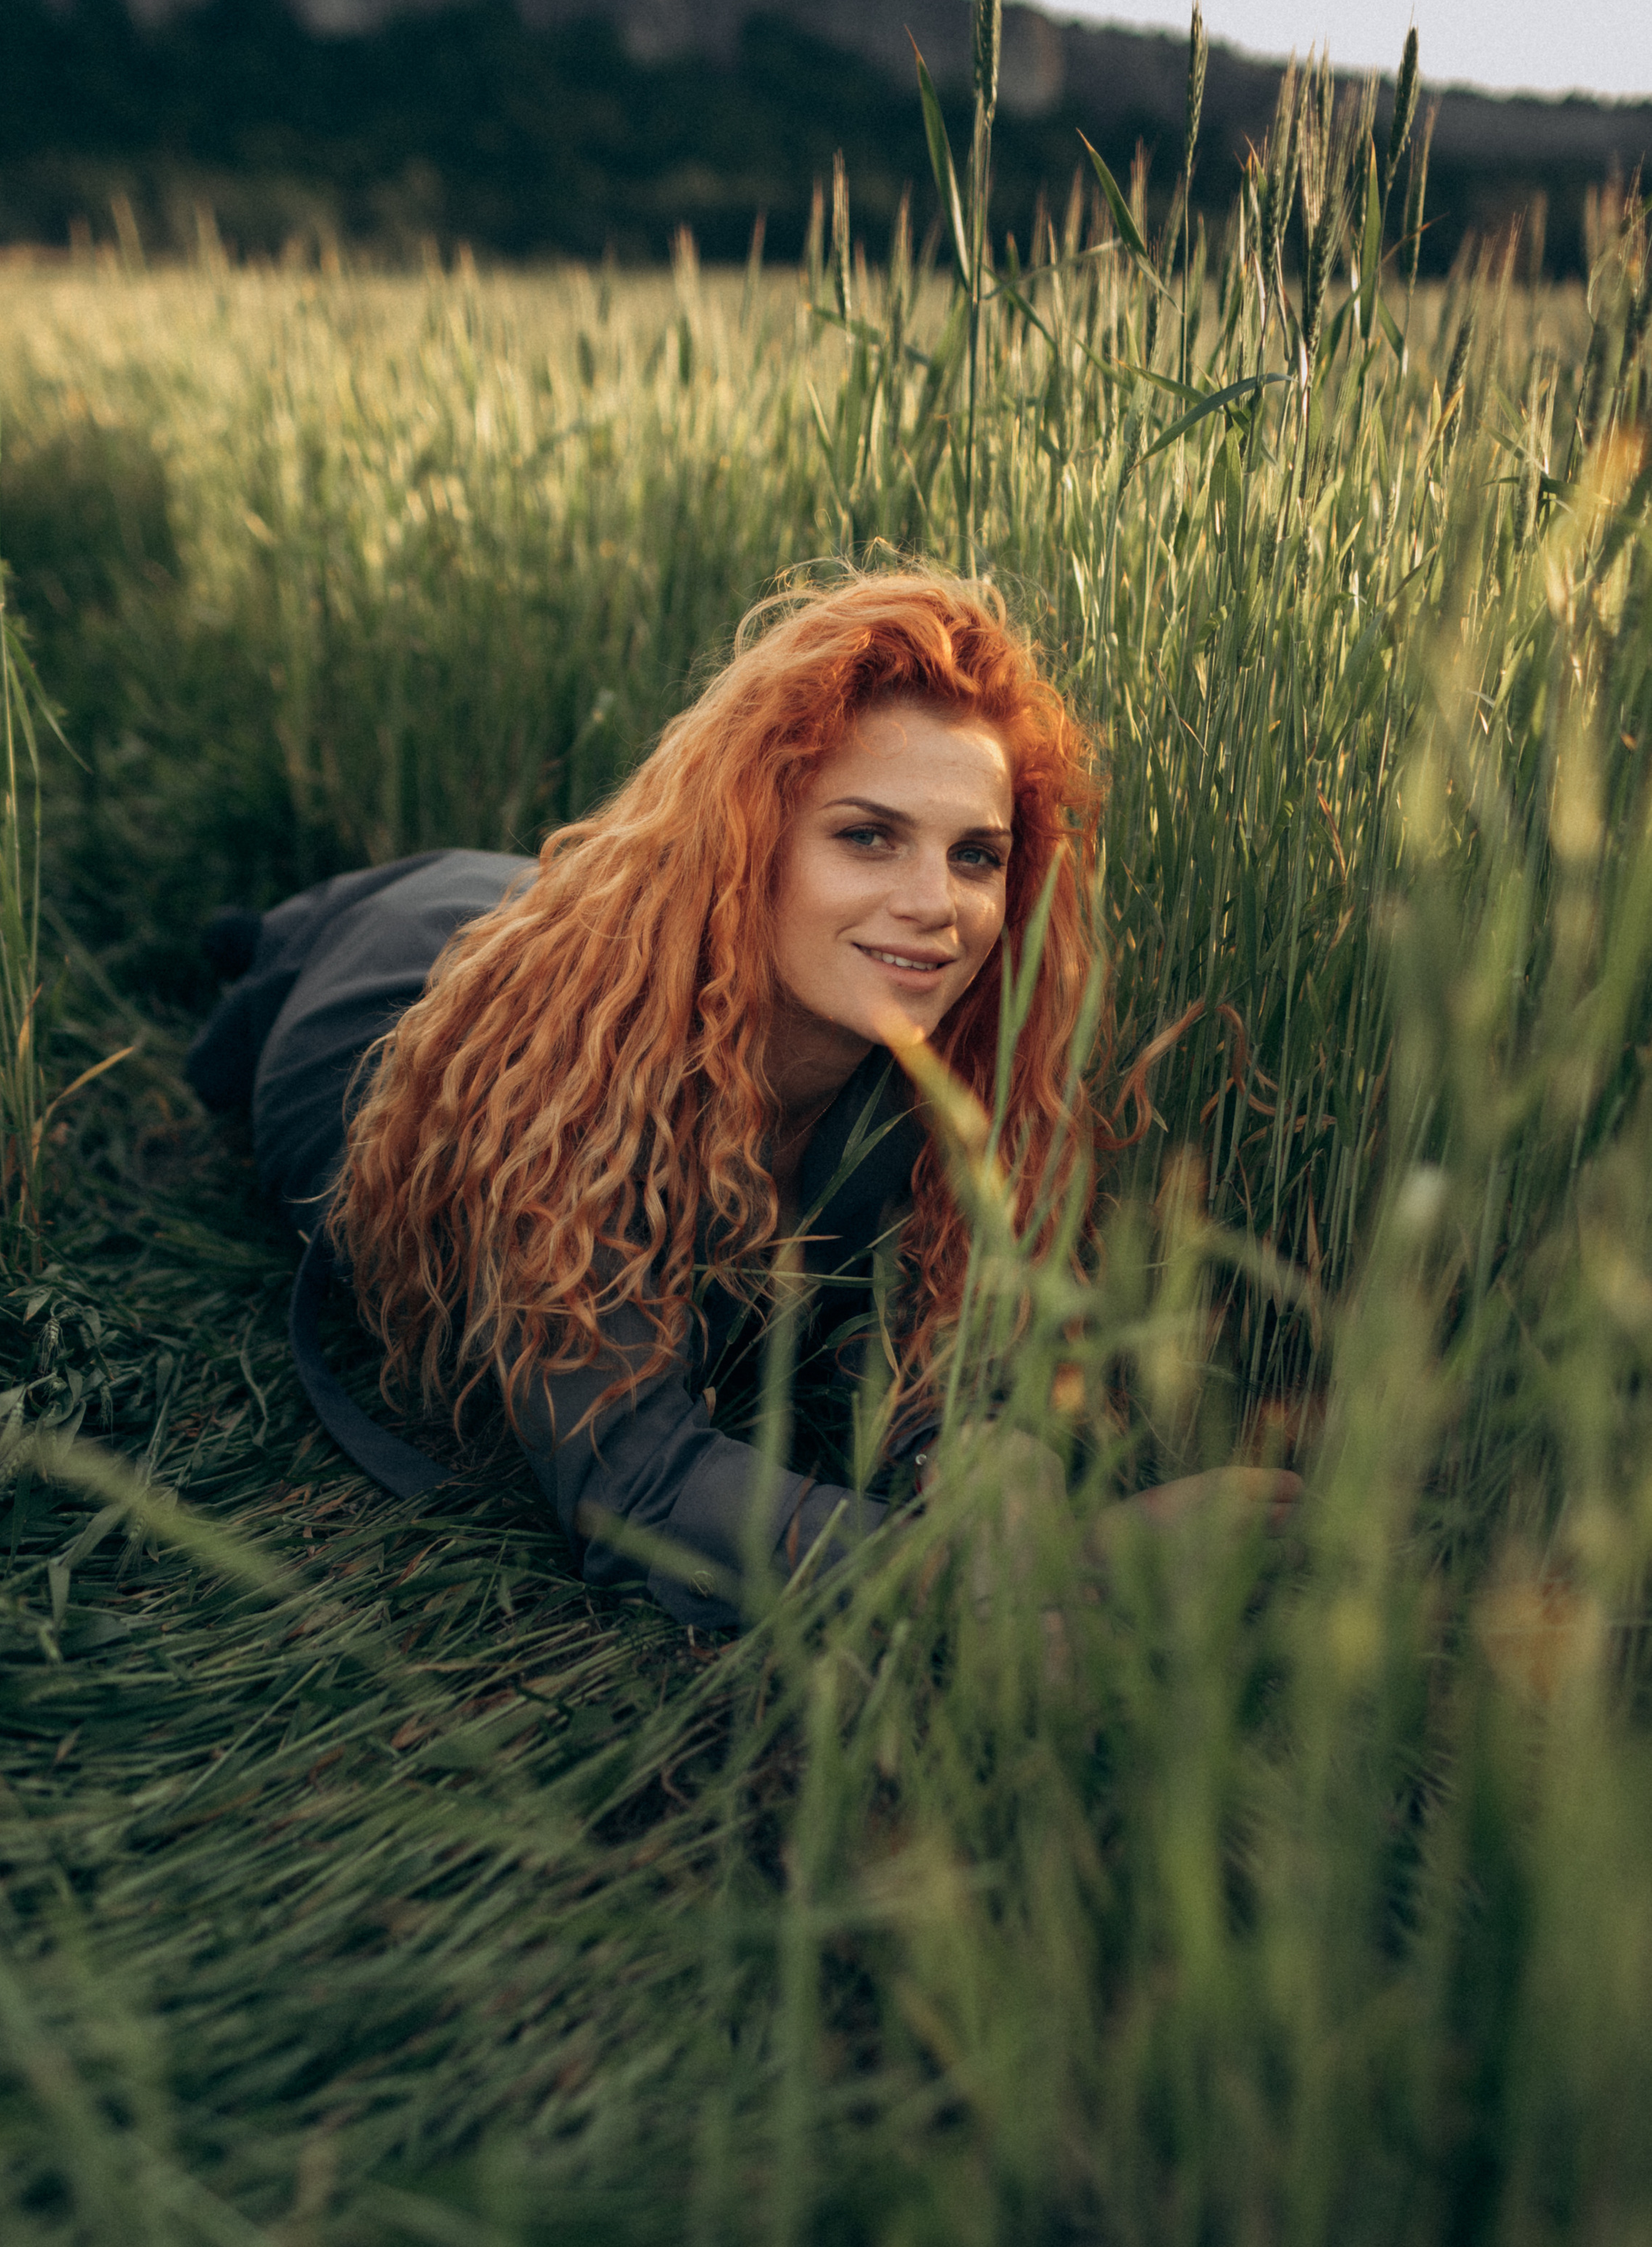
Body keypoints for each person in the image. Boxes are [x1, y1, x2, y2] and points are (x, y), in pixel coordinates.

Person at [188, 568, 1296, 1629]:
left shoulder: (929, 1066)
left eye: (975, 856)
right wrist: (1044, 1574)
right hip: (395, 958)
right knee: (251, 949)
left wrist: (998, 1484)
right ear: (750, 841)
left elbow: (927, 1354)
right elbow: (636, 1488)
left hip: (561, 903)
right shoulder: (570, 1091)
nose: (935, 906)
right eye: (867, 836)